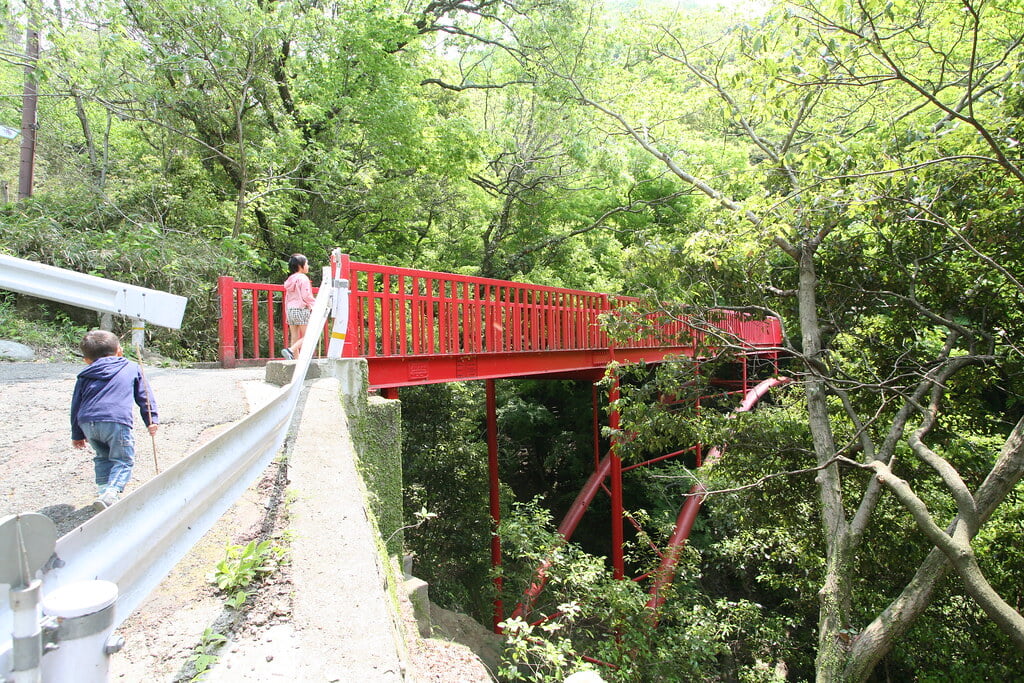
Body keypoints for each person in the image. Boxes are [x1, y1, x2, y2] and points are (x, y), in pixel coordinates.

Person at [70, 330, 159, 511]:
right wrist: (151, 419)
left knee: (102, 456)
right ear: (119, 350)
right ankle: (111, 493)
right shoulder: (131, 367)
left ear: (86, 359)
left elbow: (76, 404)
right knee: (123, 459)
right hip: (116, 421)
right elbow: (145, 396)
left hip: (87, 422)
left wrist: (77, 434)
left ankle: (103, 491)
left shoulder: (85, 374)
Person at [282, 253, 316, 360]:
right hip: (301, 309)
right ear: (300, 266)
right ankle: (290, 350)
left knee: (294, 337)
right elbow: (306, 295)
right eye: (306, 264)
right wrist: (315, 304)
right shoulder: (303, 278)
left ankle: (296, 360)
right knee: (308, 336)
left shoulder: (290, 279)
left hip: (290, 310)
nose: (308, 266)